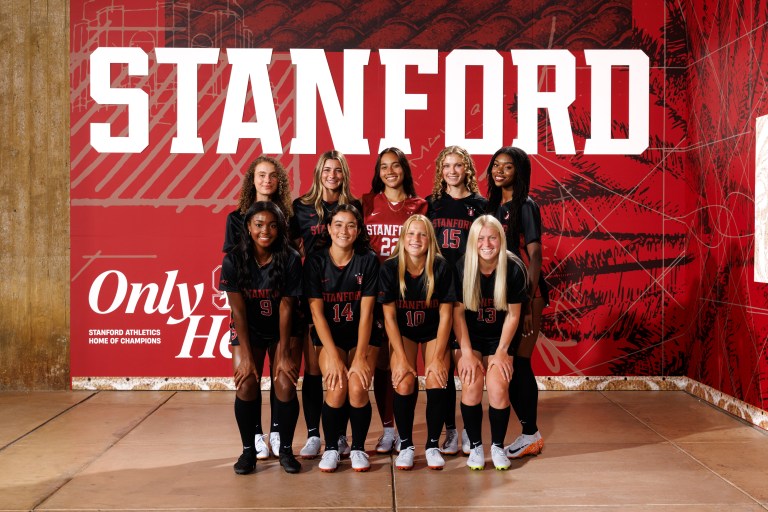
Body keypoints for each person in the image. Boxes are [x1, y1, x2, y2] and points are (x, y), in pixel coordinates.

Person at [220, 202, 303, 474]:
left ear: (280, 229)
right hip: (249, 329)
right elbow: (238, 311)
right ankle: (248, 452)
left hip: (284, 329)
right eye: (258, 225)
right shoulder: (233, 259)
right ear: (247, 227)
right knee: (245, 383)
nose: (265, 230)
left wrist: (285, 354)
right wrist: (246, 357)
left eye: (272, 225)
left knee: (285, 383)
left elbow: (287, 307)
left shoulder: (290, 258)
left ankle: (287, 452)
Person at [290, 150, 362, 459]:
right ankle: (313, 435)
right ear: (319, 173)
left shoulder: (353, 207)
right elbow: (293, 251)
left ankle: (340, 436)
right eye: (327, 170)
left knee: (342, 369)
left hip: (344, 293)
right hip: (314, 291)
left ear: (344, 174)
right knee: (316, 370)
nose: (332, 175)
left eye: (338, 170)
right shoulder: (302, 207)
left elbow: (362, 247)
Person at [303, 204, 380, 472]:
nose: (343, 230)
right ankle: (333, 447)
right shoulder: (315, 261)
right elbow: (315, 311)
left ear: (358, 230)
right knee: (336, 387)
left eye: (350, 225)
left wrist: (359, 357)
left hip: (362, 335)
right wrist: (334, 357)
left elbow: (368, 313)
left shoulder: (368, 260)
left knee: (357, 386)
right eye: (338, 224)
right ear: (328, 228)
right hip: (329, 337)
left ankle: (357, 447)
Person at [362, 147, 428, 454]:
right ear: (378, 171)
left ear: (404, 169)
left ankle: (404, 430)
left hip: (406, 293)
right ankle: (388, 428)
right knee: (383, 364)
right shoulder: (366, 203)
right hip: (373, 290)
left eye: (396, 165)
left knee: (405, 360)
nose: (390, 171)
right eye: (384, 166)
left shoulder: (420, 206)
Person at [486, 146, 549, 459]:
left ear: (519, 172)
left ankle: (531, 434)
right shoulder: (494, 206)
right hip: (503, 294)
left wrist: (525, 301)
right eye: (496, 165)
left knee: (520, 364)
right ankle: (528, 433)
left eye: (507, 167)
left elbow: (535, 255)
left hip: (526, 296)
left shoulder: (526, 204)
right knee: (509, 363)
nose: (499, 171)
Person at [379, 214, 455, 470]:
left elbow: (446, 315)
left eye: (422, 234)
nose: (416, 239)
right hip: (405, 331)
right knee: (403, 380)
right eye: (411, 234)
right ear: (402, 238)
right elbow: (388, 316)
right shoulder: (390, 268)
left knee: (436, 377)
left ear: (430, 240)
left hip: (434, 330)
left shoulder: (441, 267)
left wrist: (435, 359)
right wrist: (399, 357)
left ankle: (432, 444)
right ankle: (406, 444)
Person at [426, 145, 488, 456]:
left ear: (467, 170)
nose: (452, 171)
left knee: (465, 362)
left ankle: (469, 431)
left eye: (458, 165)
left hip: (469, 290)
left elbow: (489, 247)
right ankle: (450, 430)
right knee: (445, 363)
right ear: (441, 171)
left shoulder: (480, 206)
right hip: (439, 291)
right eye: (446, 165)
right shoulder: (432, 205)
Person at [453, 215, 528, 470]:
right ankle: (475, 445)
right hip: (469, 337)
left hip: (500, 337)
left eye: (492, 237)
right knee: (472, 384)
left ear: (501, 239)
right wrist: (465, 353)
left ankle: (496, 446)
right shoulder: (462, 267)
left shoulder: (514, 268)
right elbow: (457, 313)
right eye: (481, 238)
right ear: (473, 241)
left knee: (497, 387)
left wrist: (502, 352)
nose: (487, 243)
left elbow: (515, 314)